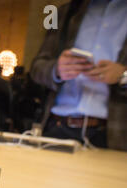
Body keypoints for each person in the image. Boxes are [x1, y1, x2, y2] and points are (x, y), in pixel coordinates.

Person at [30, 0, 127, 150]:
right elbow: (36, 68)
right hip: (57, 127)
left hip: (115, 136)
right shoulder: (61, 12)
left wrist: (123, 75)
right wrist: (56, 69)